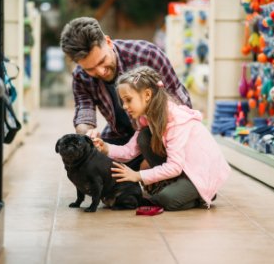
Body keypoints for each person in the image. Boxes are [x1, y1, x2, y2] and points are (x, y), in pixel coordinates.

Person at [60, 17, 192, 169]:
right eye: (90, 69)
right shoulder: (80, 76)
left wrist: (151, 159)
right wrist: (87, 134)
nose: (100, 71)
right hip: (121, 136)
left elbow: (180, 105)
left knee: (146, 145)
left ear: (108, 42)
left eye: (102, 61)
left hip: (161, 133)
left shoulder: (147, 55)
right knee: (94, 168)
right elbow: (84, 111)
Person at [93, 66, 231, 211]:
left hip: (200, 172)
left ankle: (202, 194)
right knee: (144, 138)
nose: (125, 106)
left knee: (165, 199)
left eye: (128, 100)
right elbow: (129, 151)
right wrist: (106, 148)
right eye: (123, 101)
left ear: (147, 95)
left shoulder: (175, 121)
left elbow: (174, 167)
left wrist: (138, 176)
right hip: (183, 168)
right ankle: (179, 188)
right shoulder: (147, 119)